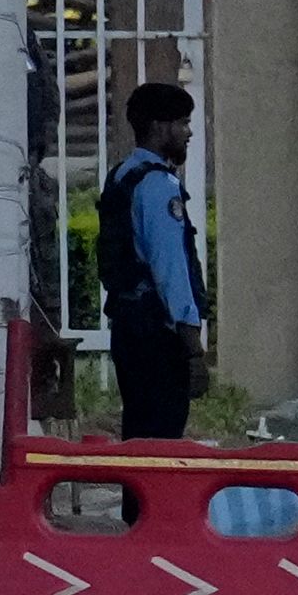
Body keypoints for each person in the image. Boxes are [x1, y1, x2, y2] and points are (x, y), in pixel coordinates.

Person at [97, 83, 208, 440]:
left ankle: (135, 499)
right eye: (183, 123)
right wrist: (192, 348)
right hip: (157, 335)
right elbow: (170, 272)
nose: (189, 133)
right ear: (160, 127)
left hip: (128, 327)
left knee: (138, 439)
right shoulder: (158, 185)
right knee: (161, 441)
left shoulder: (122, 176)